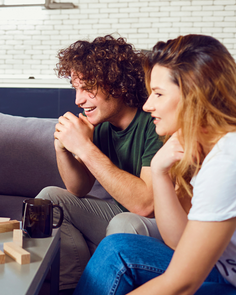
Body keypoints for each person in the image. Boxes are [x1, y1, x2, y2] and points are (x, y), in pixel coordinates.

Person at [74, 34, 236, 294]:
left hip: (225, 280)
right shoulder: (199, 152)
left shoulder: (227, 162)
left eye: (158, 94)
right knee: (116, 249)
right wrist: (159, 171)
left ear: (195, 96)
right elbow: (179, 241)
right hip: (222, 271)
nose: (148, 105)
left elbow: (182, 283)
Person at [35, 35, 164, 291]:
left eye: (87, 88)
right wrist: (62, 147)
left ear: (118, 84)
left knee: (123, 223)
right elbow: (78, 189)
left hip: (159, 223)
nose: (78, 100)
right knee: (49, 198)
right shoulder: (103, 126)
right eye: (75, 88)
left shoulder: (155, 122)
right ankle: (73, 286)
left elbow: (146, 205)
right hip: (123, 213)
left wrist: (84, 147)